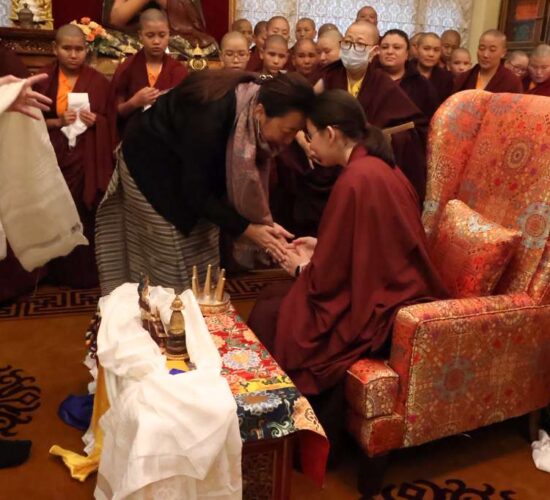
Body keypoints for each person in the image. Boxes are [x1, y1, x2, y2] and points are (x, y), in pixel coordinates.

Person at [248, 89, 448, 451]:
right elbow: (368, 245)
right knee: (276, 299)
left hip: (381, 305)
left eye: (311, 136)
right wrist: (320, 246)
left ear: (331, 133)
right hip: (391, 285)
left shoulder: (356, 178)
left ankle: (280, 433)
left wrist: (300, 269)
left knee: (272, 312)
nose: (309, 146)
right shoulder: (377, 165)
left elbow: (328, 282)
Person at [95, 71, 314, 295]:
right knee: (171, 257)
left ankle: (196, 304)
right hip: (152, 167)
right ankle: (166, 307)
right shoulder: (210, 115)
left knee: (202, 253)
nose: (289, 140)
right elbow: (196, 192)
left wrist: (258, 224)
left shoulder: (256, 104)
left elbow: (215, 185)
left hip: (193, 174)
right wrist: (248, 229)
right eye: (288, 131)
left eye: (297, 132)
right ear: (260, 112)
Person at [35, 24, 113, 288]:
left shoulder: (99, 82)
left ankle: (84, 274)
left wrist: (97, 121)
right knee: (53, 210)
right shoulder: (43, 80)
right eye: (67, 48)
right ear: (55, 49)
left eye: (79, 49)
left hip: (87, 158)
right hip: (52, 156)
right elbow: (30, 123)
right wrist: (58, 121)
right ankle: (53, 271)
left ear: (86, 50)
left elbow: (112, 121)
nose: (73, 54)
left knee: (84, 212)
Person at [320, 21, 428, 202]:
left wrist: (384, 138)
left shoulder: (382, 84)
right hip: (327, 162)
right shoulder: (327, 76)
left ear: (374, 51)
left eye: (360, 44)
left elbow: (416, 128)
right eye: (347, 42)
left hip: (365, 164)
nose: (352, 49)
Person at [109, 8, 188, 140]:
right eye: (150, 35)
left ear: (169, 34)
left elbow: (186, 114)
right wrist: (134, 102)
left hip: (167, 141)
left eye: (162, 35)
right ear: (140, 36)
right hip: (134, 139)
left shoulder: (178, 70)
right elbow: (113, 113)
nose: (156, 41)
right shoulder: (127, 68)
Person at [379, 30, 439, 121]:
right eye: (384, 47)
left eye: (396, 47)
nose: (390, 51)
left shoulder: (422, 85)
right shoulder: (370, 78)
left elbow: (431, 120)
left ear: (407, 54)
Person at [109, 0, 216, 50]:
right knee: (110, 42)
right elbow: (115, 20)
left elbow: (191, 17)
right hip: (135, 36)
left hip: (172, 36)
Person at [454, 30, 523, 93]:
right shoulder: (464, 78)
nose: (485, 55)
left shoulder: (512, 81)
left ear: (503, 53)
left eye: (492, 50)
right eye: (482, 48)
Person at [415, 32, 454, 104]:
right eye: (426, 49)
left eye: (436, 50)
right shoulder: (405, 72)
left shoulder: (446, 78)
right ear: (417, 49)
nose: (431, 54)